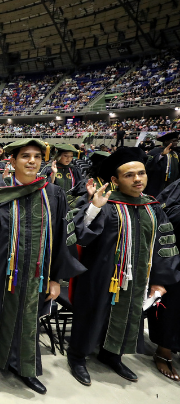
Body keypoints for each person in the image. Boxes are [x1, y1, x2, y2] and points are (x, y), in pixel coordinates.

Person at [0, 138, 85, 396]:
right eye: (25, 156)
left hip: (35, 274)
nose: (32, 161)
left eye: (37, 157)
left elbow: (62, 237)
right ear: (12, 160)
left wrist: (55, 278)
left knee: (27, 321)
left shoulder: (53, 194)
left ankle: (24, 367)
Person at [67, 147, 180, 387]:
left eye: (141, 173)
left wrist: (159, 281)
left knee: (128, 317)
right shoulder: (106, 204)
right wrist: (94, 207)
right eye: (129, 175)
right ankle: (77, 356)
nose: (137, 179)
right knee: (91, 315)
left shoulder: (153, 208)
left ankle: (112, 355)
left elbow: (164, 244)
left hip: (138, 278)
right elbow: (80, 237)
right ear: (115, 180)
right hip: (99, 275)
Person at [150, 178, 180, 381]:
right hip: (175, 255)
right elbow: (162, 215)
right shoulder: (177, 187)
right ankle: (164, 349)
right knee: (173, 305)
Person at [145, 131, 179, 197]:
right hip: (157, 184)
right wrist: (162, 155)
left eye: (177, 141)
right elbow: (147, 163)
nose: (176, 143)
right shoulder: (156, 151)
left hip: (172, 184)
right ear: (166, 141)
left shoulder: (176, 153)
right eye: (174, 141)